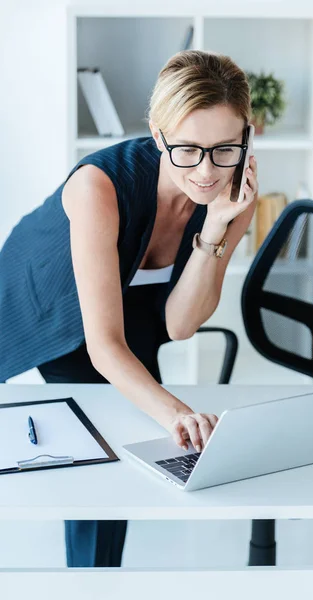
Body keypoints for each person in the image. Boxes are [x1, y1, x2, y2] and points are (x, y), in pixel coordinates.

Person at [0, 50, 258, 567]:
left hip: (134, 301)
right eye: (187, 149)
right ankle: (91, 579)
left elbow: (181, 323)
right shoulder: (98, 187)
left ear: (247, 136)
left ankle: (96, 575)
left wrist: (213, 227)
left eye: (224, 148)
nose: (206, 172)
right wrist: (178, 411)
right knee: (110, 435)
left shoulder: (236, 192)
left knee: (130, 432)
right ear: (158, 135)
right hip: (46, 295)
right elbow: (103, 345)